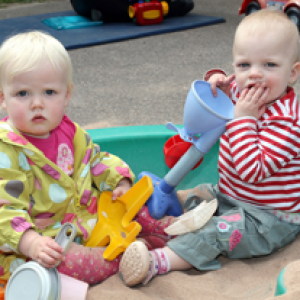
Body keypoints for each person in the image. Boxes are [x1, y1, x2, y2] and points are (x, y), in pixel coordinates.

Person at [118, 9, 300, 287]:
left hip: (267, 220)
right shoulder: (247, 93)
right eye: (243, 65)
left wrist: (244, 120)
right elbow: (225, 93)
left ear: (293, 73)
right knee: (198, 196)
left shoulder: (288, 121)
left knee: (216, 232)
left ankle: (158, 261)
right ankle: (163, 227)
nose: (254, 75)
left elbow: (252, 171)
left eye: (270, 65)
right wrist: (218, 83)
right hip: (229, 197)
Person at [0, 31, 174, 284]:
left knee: (134, 207)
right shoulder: (7, 151)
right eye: (23, 94)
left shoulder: (71, 134)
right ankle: (129, 256)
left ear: (67, 95)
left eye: (49, 92)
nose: (37, 103)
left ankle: (158, 234)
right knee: (69, 263)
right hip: (43, 243)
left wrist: (119, 182)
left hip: (90, 220)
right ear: (3, 99)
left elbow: (96, 160)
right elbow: (5, 210)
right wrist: (31, 243)